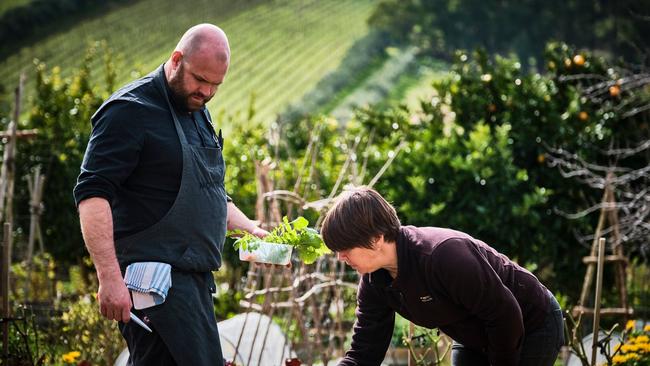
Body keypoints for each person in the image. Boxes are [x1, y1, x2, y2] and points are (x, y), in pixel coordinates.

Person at [73, 24, 267, 365]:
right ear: (177, 59)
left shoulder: (196, 112)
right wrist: (109, 279)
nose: (206, 91)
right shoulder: (130, 111)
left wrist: (251, 229)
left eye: (215, 85)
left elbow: (210, 193)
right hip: (154, 286)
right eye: (200, 80)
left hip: (195, 283)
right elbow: (92, 195)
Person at [321, 187, 564, 366]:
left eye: (345, 248)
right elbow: (364, 352)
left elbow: (505, 314)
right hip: (476, 335)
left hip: (532, 322)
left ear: (376, 239)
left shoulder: (442, 255)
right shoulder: (375, 281)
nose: (341, 257)